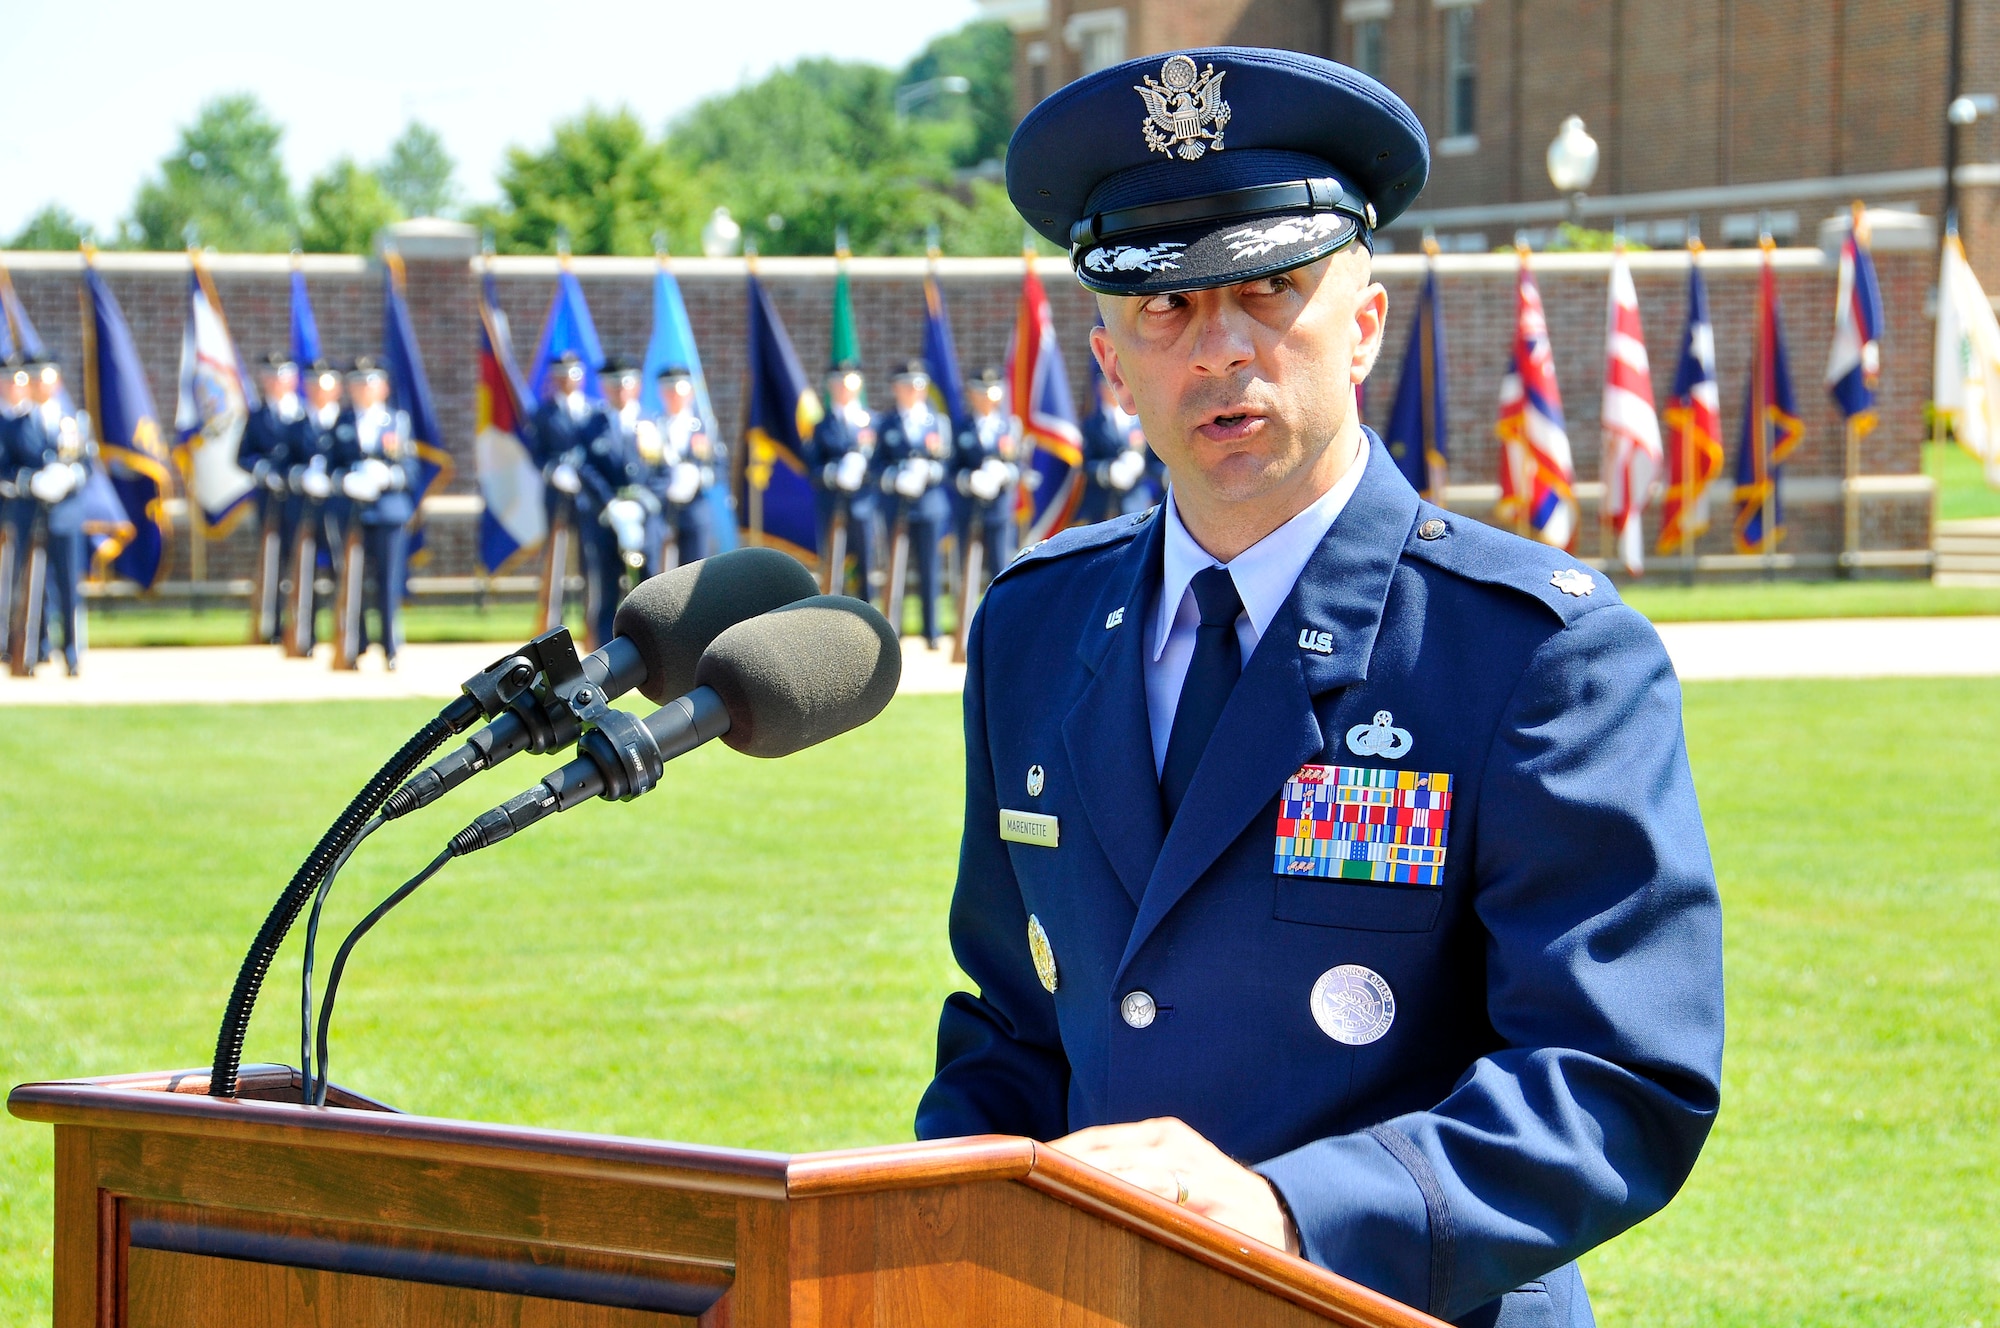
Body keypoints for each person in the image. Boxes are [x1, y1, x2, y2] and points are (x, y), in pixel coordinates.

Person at [914, 48, 1723, 1328]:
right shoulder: (1034, 624)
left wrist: (1288, 1214)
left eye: (1269, 288)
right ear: (1109, 359)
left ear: (1365, 323)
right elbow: (1012, 1026)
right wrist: (921, 1226)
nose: (1220, 347)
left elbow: (1616, 1073)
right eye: (1164, 308)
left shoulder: (1529, 651)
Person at [330, 357, 419, 669]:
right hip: (352, 510)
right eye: (357, 382)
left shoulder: (397, 422)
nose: (363, 389)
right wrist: (345, 478)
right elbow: (329, 464)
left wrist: (389, 476)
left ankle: (391, 647)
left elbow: (411, 469)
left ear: (383, 387)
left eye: (369, 382)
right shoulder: (340, 422)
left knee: (388, 581)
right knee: (351, 579)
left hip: (389, 509)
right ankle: (355, 643)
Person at [9, 358, 95, 675]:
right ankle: (35, 649)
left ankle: (71, 652)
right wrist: (30, 481)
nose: (39, 386)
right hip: (30, 512)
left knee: (68, 584)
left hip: (66, 513)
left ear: (56, 383)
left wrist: (70, 476)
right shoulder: (15, 422)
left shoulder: (73, 420)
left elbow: (87, 464)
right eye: (33, 380)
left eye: (44, 379)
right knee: (33, 585)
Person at [875, 360, 951, 647]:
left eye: (918, 385)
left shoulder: (937, 422)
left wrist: (928, 472)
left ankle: (932, 632)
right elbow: (876, 466)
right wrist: (895, 477)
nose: (913, 390)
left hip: (929, 504)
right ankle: (891, 632)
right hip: (897, 505)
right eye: (907, 385)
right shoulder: (885, 423)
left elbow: (947, 463)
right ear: (896, 388)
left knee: (930, 568)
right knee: (895, 567)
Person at [239, 352, 304, 644]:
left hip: (300, 500)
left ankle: (303, 623)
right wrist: (263, 469)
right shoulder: (257, 415)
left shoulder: (303, 413)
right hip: (269, 500)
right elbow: (242, 456)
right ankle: (273, 624)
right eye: (272, 376)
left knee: (302, 560)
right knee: (272, 563)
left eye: (283, 376)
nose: (277, 382)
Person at [283, 360, 344, 654]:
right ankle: (304, 637)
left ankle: (348, 637)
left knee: (342, 571)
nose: (319, 392)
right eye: (313, 386)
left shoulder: (345, 422)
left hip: (339, 508)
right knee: (303, 572)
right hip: (305, 507)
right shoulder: (296, 425)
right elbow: (283, 463)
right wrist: (298, 476)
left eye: (325, 386)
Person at [805, 360, 880, 598]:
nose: (843, 389)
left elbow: (882, 461)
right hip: (832, 503)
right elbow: (813, 467)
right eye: (838, 383)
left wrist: (864, 470)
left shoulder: (874, 421)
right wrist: (834, 472)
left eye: (848, 383)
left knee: (867, 565)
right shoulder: (822, 425)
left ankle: (869, 615)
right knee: (833, 565)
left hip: (864, 504)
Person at [951, 367, 1019, 586]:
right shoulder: (961, 428)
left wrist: (1004, 473)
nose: (987, 397)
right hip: (969, 508)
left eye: (991, 391)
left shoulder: (1009, 427)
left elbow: (1019, 465)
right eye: (981, 392)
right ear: (971, 394)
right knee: (968, 571)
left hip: (999, 509)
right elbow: (951, 468)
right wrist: (969, 480)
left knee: (1001, 568)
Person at [1076, 369, 1163, 525]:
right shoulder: (1092, 424)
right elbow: (1085, 463)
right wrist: (1107, 472)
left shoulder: (1141, 422)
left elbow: (1155, 459)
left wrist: (1143, 467)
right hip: (1103, 505)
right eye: (1106, 385)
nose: (1111, 390)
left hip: (1136, 503)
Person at [652, 364, 719, 564]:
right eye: (668, 391)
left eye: (679, 391)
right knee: (662, 569)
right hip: (663, 509)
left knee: (696, 568)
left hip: (695, 509)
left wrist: (700, 476)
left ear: (689, 392)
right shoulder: (654, 424)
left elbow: (718, 464)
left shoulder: (703, 426)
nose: (674, 396)